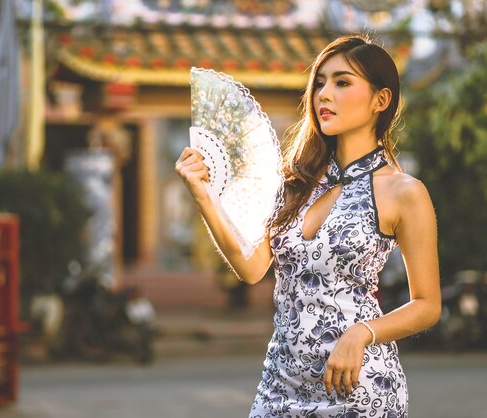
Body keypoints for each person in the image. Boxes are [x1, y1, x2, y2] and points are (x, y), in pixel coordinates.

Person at [175, 35, 441, 417]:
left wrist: (361, 333)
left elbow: (428, 306)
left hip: (358, 386)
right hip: (280, 386)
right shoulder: (294, 184)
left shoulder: (403, 191)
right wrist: (203, 196)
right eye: (320, 82)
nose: (324, 94)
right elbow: (251, 269)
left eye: (342, 82)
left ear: (380, 100)